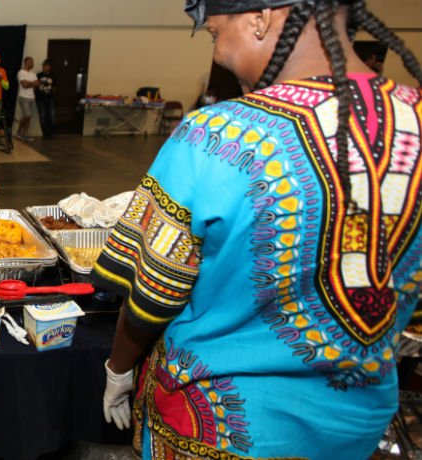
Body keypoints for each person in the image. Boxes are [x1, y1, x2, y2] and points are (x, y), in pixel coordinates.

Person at [93, 0, 422, 458]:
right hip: (356, 426)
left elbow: (152, 296)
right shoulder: (416, 119)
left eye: (215, 36)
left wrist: (118, 369)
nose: (219, 54)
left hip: (220, 426)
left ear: (261, 18)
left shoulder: (215, 136)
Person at [15, 56, 39, 141]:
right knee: (27, 115)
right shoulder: (21, 72)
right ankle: (18, 132)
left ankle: (24, 135)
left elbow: (37, 85)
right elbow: (24, 85)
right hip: (23, 97)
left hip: (32, 97)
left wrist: (29, 83)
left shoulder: (33, 74)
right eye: (31, 61)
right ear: (26, 62)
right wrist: (32, 83)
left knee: (29, 118)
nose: (32, 64)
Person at [36, 59, 55, 139]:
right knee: (42, 115)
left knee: (52, 115)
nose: (44, 67)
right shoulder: (38, 75)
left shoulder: (53, 76)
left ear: (49, 67)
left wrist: (51, 93)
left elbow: (55, 87)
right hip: (40, 99)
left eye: (46, 66)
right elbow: (36, 86)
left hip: (49, 98)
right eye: (43, 66)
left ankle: (51, 132)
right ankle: (45, 133)